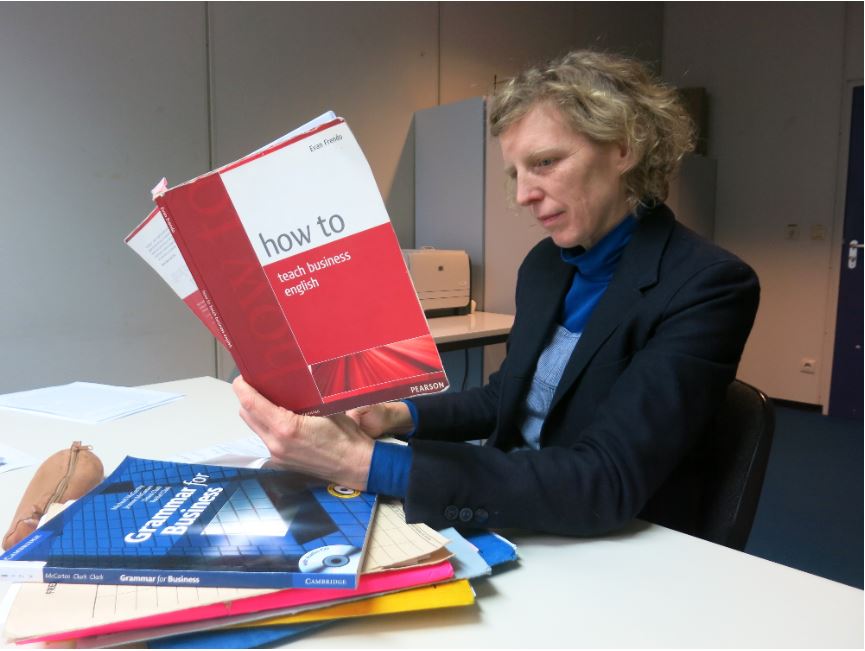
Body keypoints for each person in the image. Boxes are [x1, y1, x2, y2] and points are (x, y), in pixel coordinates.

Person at [233, 49, 760, 538]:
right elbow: (508, 394)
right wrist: (398, 416)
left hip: (606, 540)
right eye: (516, 173)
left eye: (545, 163)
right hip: (512, 507)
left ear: (624, 148)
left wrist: (362, 463)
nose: (524, 194)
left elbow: (606, 480)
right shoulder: (546, 266)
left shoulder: (707, 285)